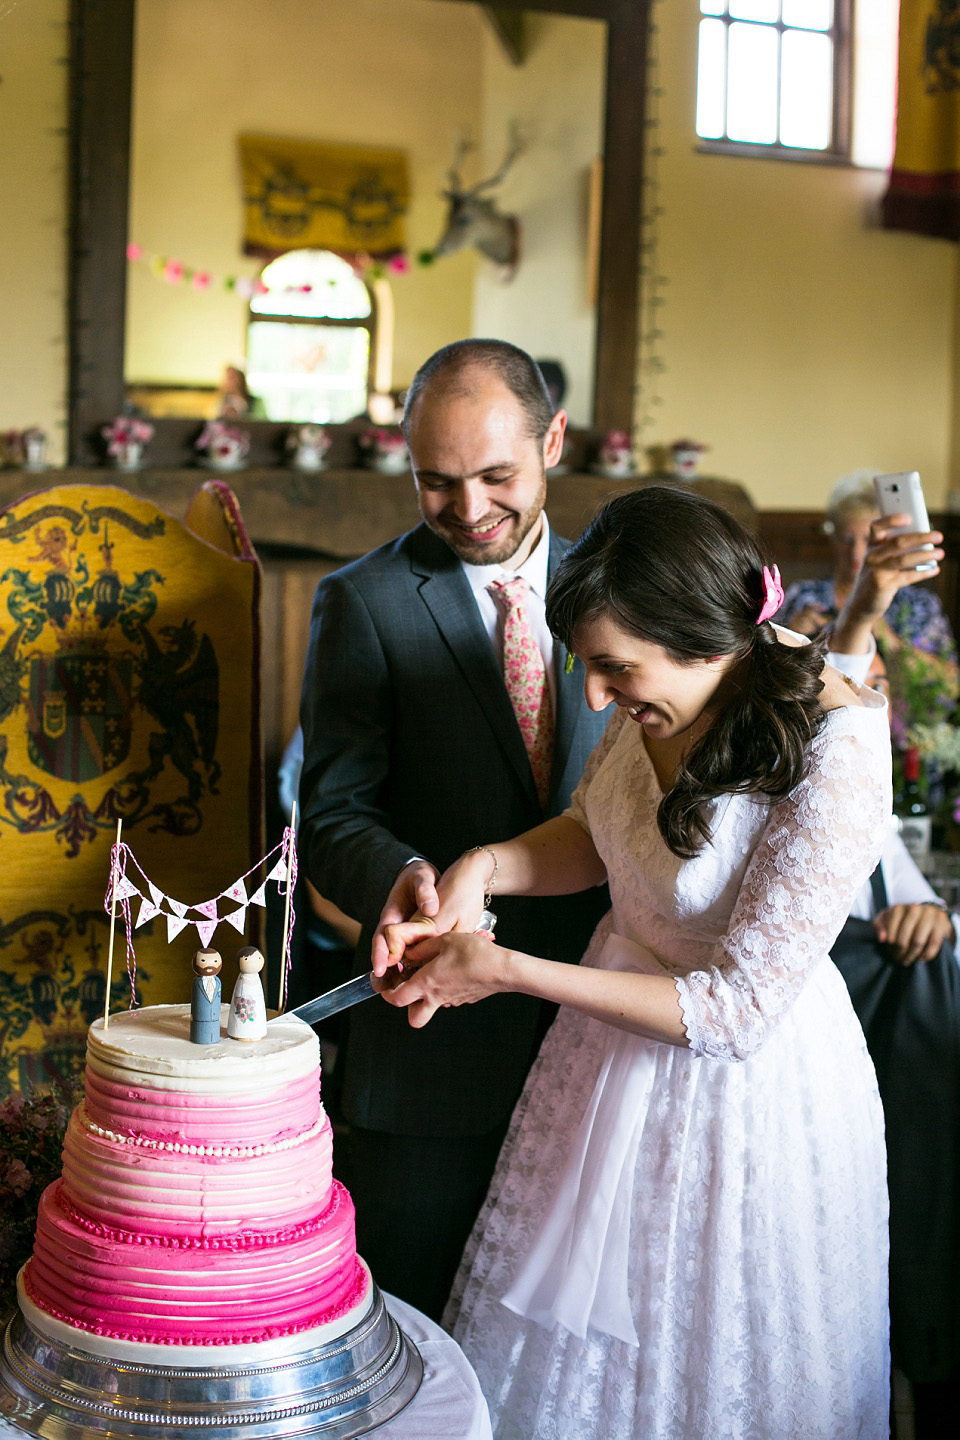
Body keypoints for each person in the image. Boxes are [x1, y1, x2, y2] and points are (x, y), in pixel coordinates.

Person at [377, 486, 892, 1439]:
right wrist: (483, 868)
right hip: (602, 1068)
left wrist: (505, 971)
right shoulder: (653, 700)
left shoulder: (836, 745)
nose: (593, 698)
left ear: (706, 638)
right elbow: (597, 834)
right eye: (586, 667)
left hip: (748, 1106)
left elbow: (736, 1012)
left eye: (615, 669)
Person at [298, 338, 611, 1319]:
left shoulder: (621, 589)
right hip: (432, 1054)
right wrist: (398, 876)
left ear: (553, 439)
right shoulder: (365, 602)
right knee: (409, 1328)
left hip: (603, 1035)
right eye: (436, 482)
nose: (469, 510)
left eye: (496, 475)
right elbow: (334, 813)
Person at [778, 469, 956, 660]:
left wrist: (890, 640)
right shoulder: (803, 595)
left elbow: (950, 682)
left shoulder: (920, 605)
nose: (856, 553)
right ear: (833, 537)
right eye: (847, 539)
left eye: (868, 540)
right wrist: (789, 637)